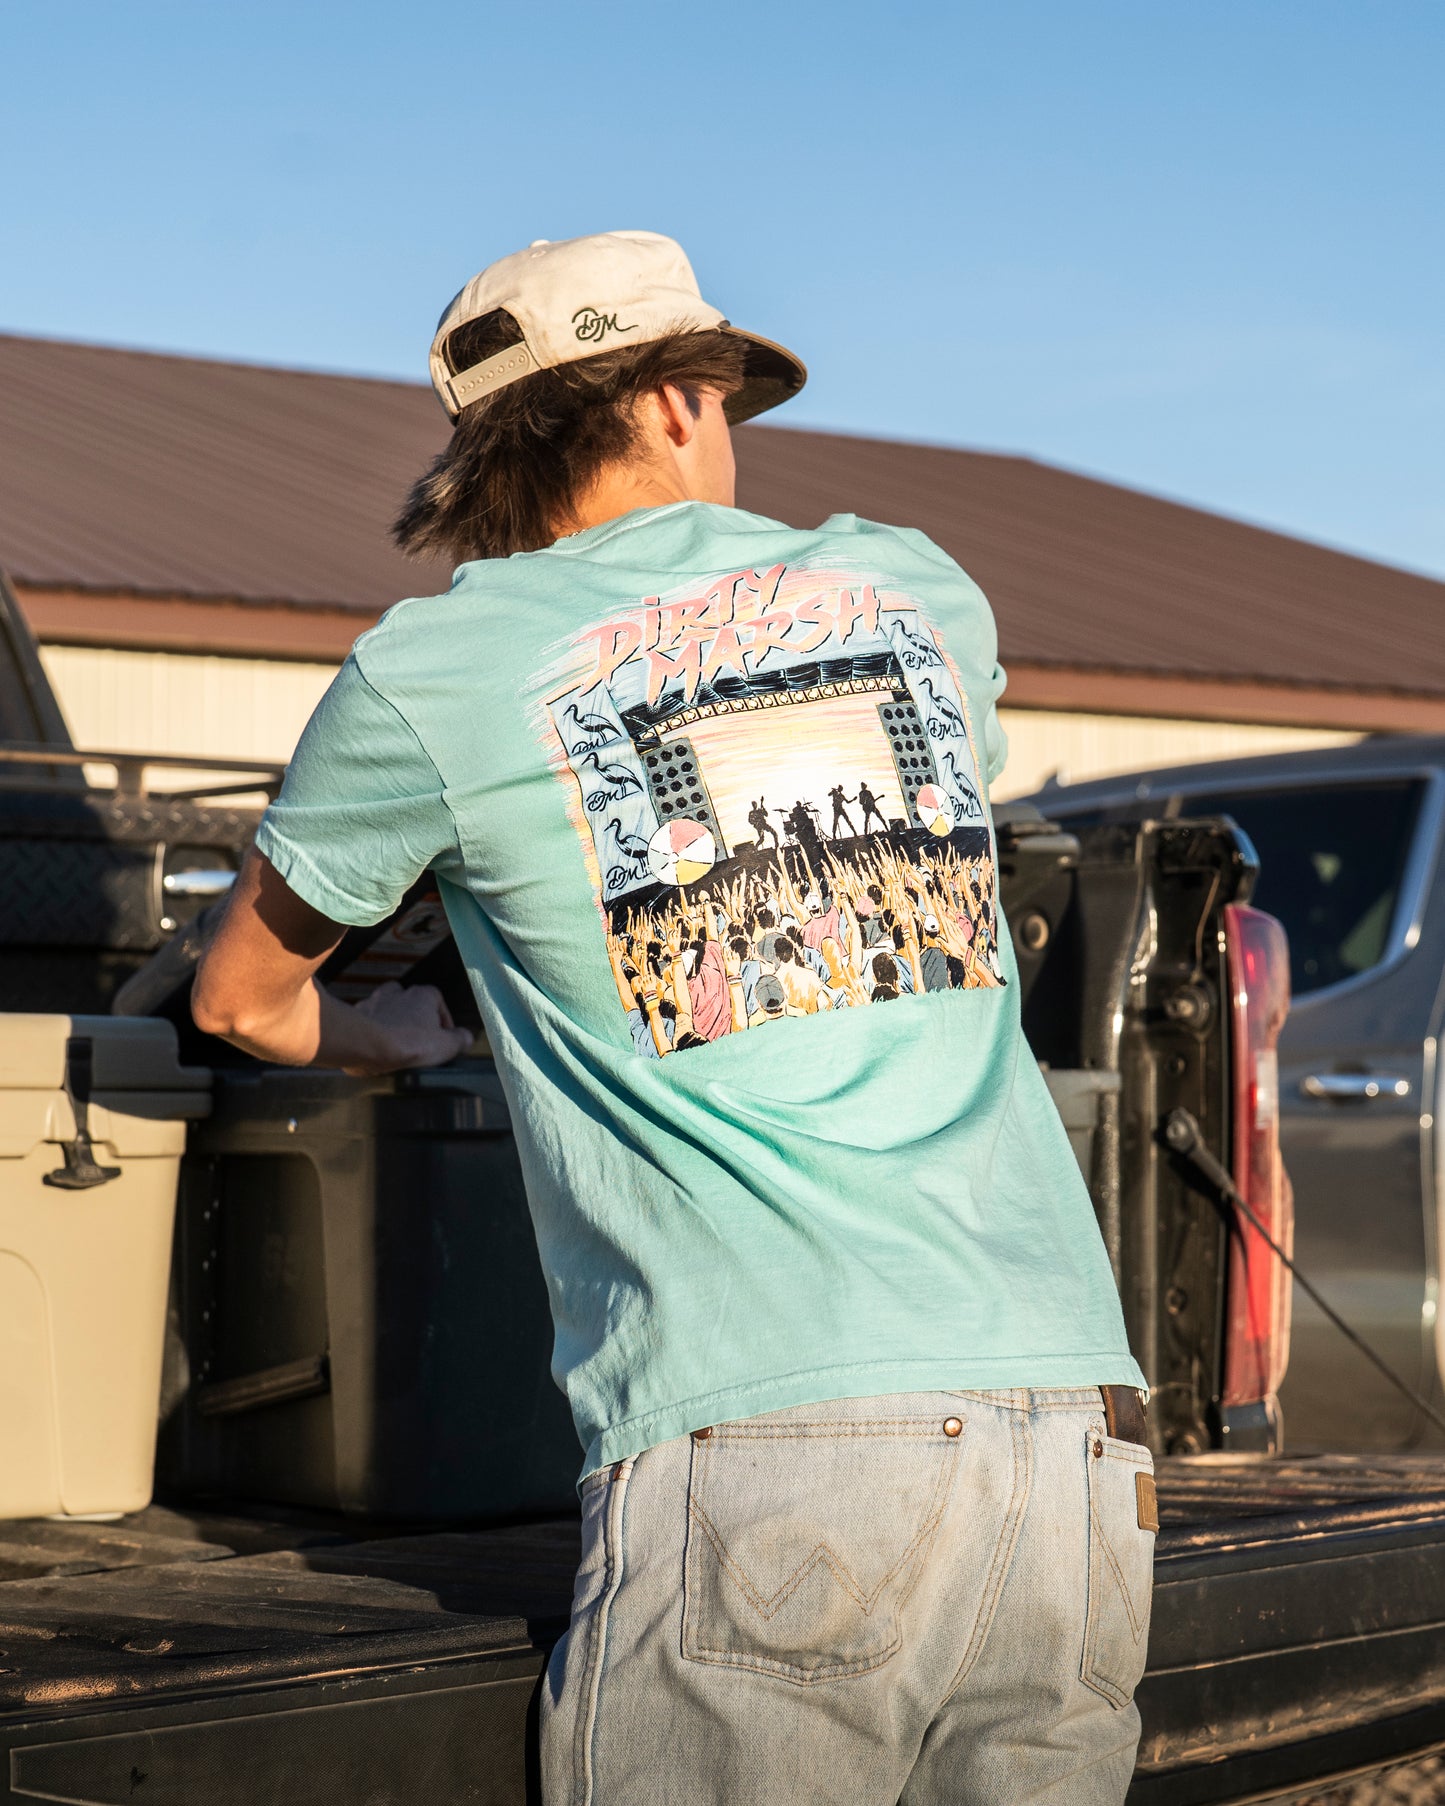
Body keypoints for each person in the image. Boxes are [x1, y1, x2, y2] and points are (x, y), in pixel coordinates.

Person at [192, 229, 1153, 1806]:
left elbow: (238, 995)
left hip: (769, 1438)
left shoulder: (438, 671)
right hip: (1066, 1433)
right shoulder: (913, 586)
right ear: (666, 401)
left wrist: (387, 1036)